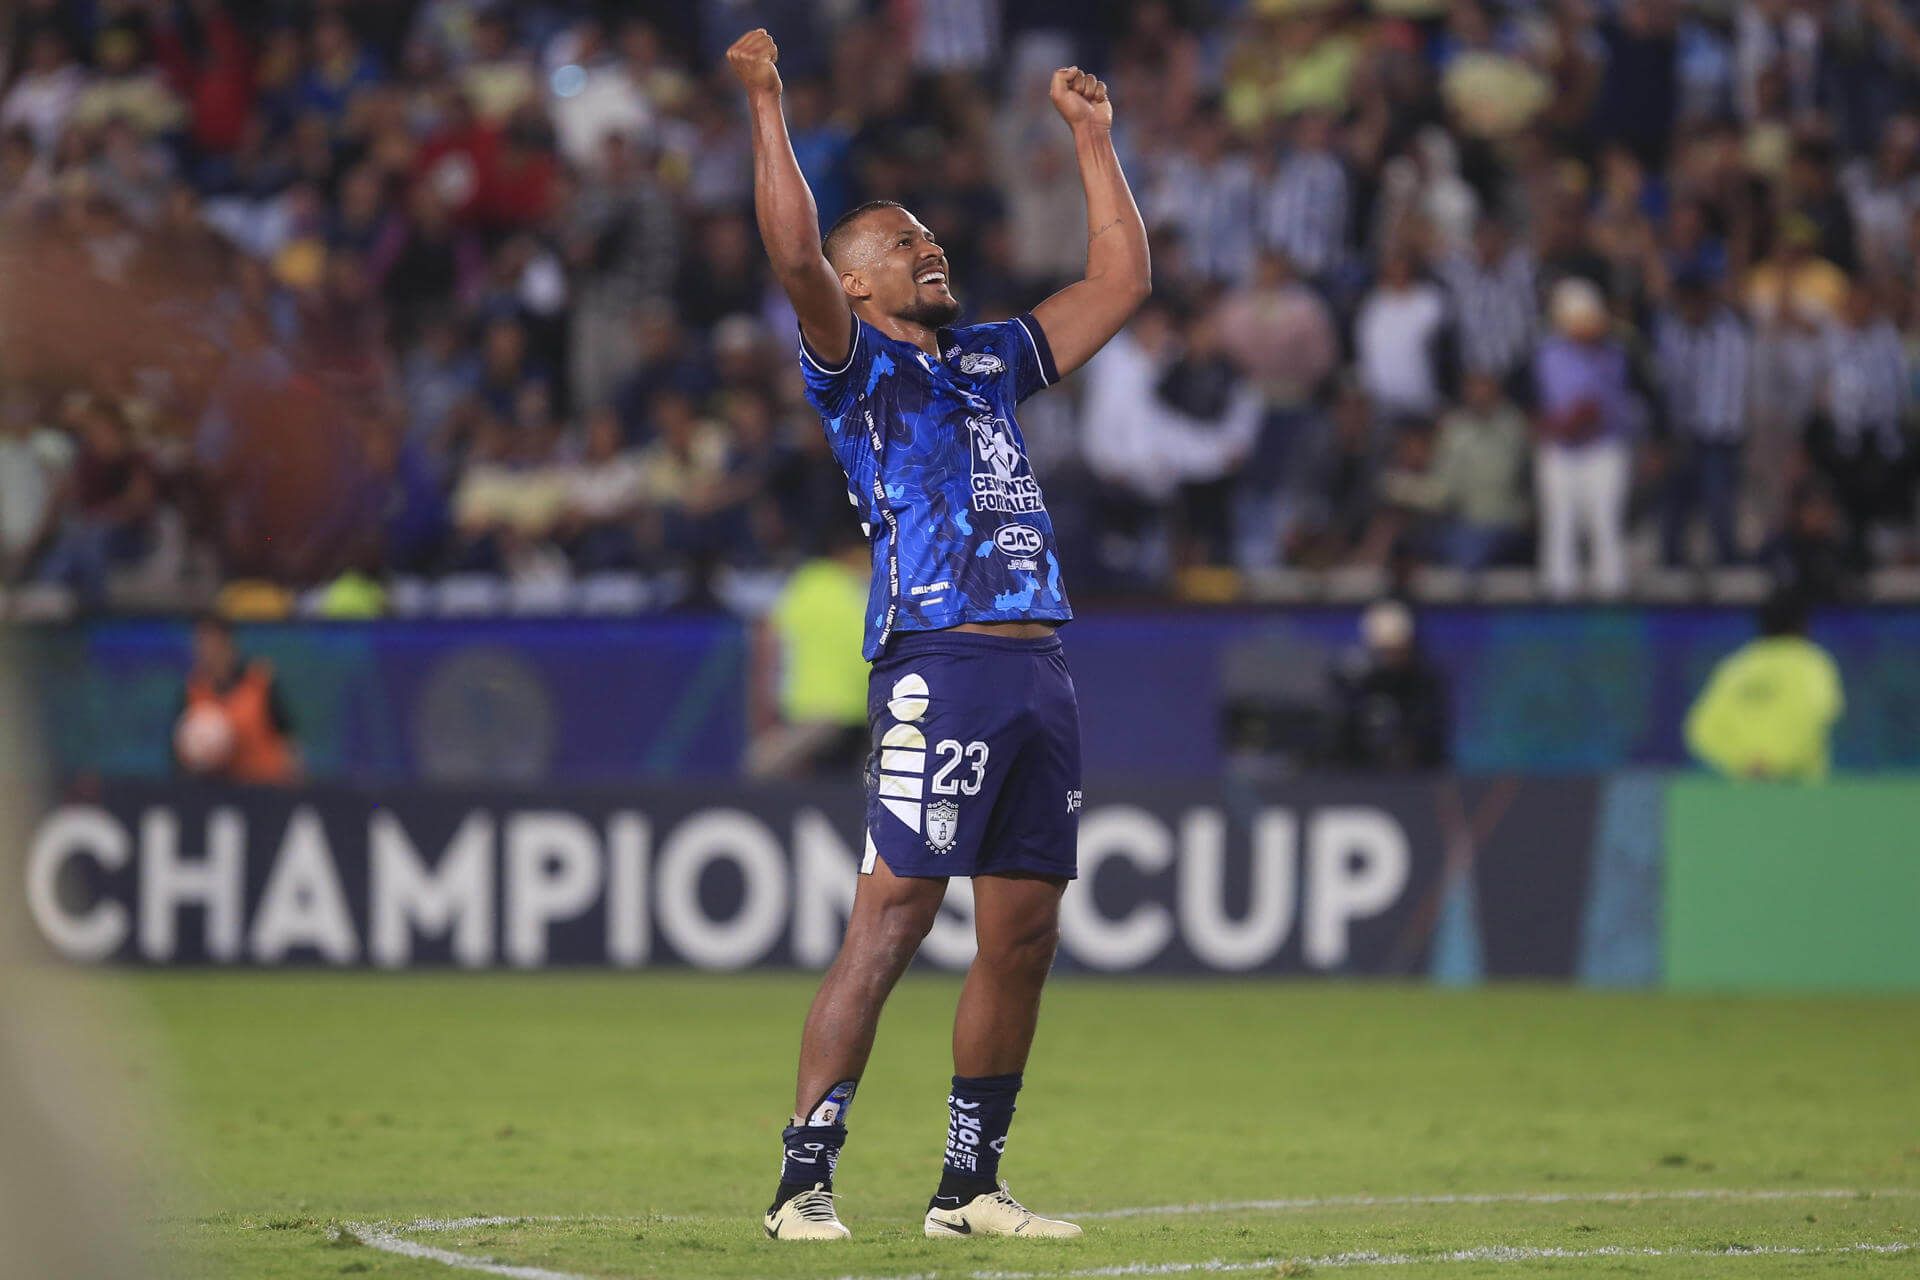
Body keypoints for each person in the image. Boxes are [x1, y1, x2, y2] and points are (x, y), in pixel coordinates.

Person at [726, 27, 1149, 1243]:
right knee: (896, 909)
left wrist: (1091, 139)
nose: (929, 246)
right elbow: (793, 247)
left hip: (1036, 661)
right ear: (856, 283)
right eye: (902, 241)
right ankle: (803, 1179)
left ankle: (969, 1185)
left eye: (929, 234)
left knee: (1021, 934)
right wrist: (767, 100)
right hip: (938, 656)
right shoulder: (852, 365)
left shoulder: (987, 359)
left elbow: (1120, 285)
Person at [1685, 591, 1843, 782]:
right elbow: (1822, 714)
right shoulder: (1812, 663)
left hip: (1748, 798)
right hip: (1801, 795)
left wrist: (1745, 763)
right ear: (1803, 625)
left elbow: (1701, 730)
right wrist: (1774, 764)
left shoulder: (1737, 666)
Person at [1322, 600, 1450, 771]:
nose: (1391, 658)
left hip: (1416, 774)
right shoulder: (1351, 680)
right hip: (1358, 774)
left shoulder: (1425, 680)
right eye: (1385, 651)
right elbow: (1339, 734)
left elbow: (1432, 731)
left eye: (1397, 650)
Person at [173, 613, 299, 786]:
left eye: (212, 643)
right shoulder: (193, 691)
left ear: (228, 643)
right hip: (216, 793)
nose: (205, 651)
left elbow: (287, 739)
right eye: (200, 643)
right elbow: (179, 754)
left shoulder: (260, 681)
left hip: (265, 788)